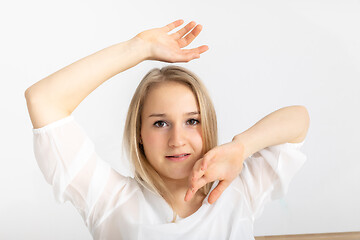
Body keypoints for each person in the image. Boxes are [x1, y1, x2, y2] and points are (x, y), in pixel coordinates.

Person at [25, 19, 310, 240]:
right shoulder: (109, 198)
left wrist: (241, 147)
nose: (177, 140)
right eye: (160, 123)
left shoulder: (238, 189)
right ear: (139, 133)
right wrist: (137, 49)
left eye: (192, 121)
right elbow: (43, 100)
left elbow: (299, 120)